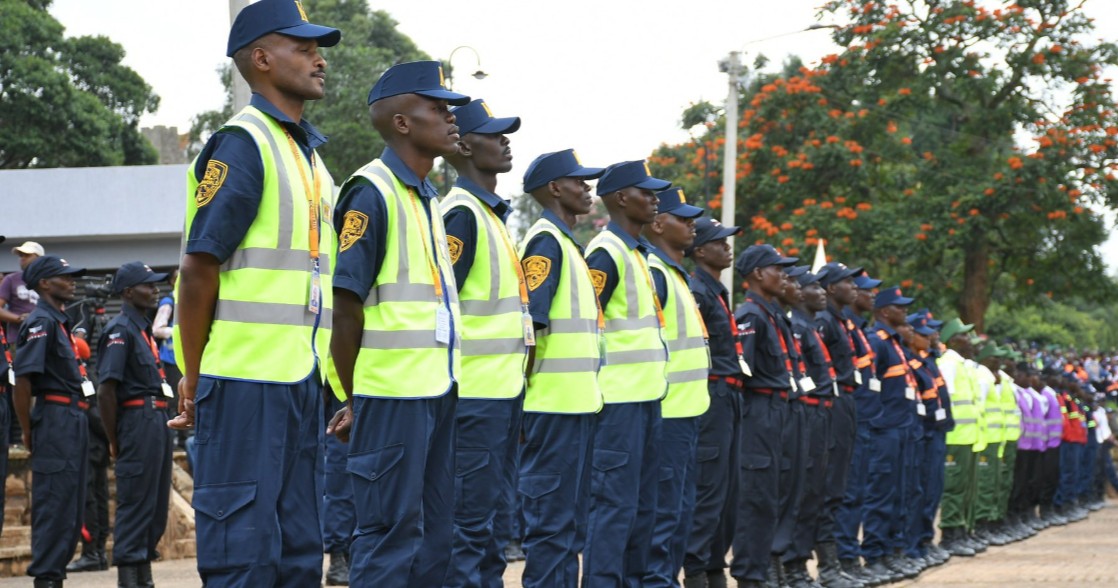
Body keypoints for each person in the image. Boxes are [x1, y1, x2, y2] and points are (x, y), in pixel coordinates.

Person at [167, 1, 341, 585]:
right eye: (304, 47)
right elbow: (198, 270)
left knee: (297, 555)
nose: (319, 59)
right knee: (244, 556)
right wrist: (193, 374)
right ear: (262, 59)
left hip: (296, 382)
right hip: (244, 385)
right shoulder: (244, 143)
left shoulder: (309, 157)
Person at [327, 60, 466, 586]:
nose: (451, 118)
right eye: (438, 108)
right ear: (403, 122)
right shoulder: (372, 191)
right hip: (390, 396)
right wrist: (352, 396)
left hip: (435, 389)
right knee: (389, 539)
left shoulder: (425, 196)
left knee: (434, 539)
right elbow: (346, 307)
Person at [440, 98, 529, 588]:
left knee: (495, 529)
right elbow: (442, 305)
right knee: (468, 529)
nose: (505, 141)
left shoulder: (490, 215)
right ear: (466, 145)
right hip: (473, 401)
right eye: (494, 134)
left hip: (500, 399)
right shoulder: (462, 215)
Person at [517, 149, 605, 587]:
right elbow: (530, 327)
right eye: (578, 181)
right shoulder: (546, 242)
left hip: (576, 407)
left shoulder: (568, 243)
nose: (587, 188)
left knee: (570, 527)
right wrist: (522, 399)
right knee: (551, 527)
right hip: (550, 408)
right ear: (554, 188)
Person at [583, 160, 670, 586]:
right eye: (646, 192)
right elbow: (585, 325)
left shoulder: (637, 252)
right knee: (614, 509)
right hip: (616, 405)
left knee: (642, 509)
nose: (654, 199)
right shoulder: (606, 252)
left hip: (646, 400)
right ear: (620, 198)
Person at [641, 188, 709, 587]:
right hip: (664, 413)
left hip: (686, 413)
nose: (691, 225)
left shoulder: (675, 274)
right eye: (682, 219)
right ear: (658, 223)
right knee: (662, 517)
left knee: (680, 514)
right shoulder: (654, 272)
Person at [12, 255, 90, 588]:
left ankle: (54, 577)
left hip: (73, 418)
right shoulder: (40, 322)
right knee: (54, 505)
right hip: (55, 419)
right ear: (44, 283)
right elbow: (23, 381)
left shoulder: (59, 322)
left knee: (70, 509)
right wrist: (29, 431)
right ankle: (46, 579)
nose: (72, 281)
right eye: (64, 276)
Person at [96, 262, 174, 588]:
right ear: (128, 292)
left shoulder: (142, 329)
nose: (155, 289)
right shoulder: (119, 330)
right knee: (135, 504)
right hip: (137, 421)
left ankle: (145, 580)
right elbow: (106, 391)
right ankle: (131, 580)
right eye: (148, 285)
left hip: (156, 420)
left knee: (155, 505)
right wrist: (114, 439)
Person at [729, 244, 798, 588]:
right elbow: (744, 374)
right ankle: (749, 576)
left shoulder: (769, 314)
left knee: (771, 496)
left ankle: (762, 571)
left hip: (776, 411)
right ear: (757, 274)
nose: (783, 275)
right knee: (755, 498)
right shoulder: (750, 316)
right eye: (777, 269)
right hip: (759, 414)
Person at [682, 217, 743, 588]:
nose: (727, 247)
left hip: (730, 396)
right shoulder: (698, 292)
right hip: (711, 396)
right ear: (700, 250)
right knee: (708, 487)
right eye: (719, 242)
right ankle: (696, 570)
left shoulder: (717, 291)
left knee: (727, 491)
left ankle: (715, 565)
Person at [785, 267, 843, 587]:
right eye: (813, 287)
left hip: (823, 411)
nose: (821, 292)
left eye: (823, 288)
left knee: (816, 493)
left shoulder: (809, 326)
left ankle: (804, 565)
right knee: (802, 494)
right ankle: (793, 567)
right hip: (807, 413)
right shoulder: (797, 325)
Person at [812, 262, 868, 588]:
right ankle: (828, 566)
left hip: (846, 402)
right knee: (828, 488)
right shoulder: (824, 322)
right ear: (831, 288)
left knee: (838, 488)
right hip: (831, 405)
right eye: (847, 281)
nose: (854, 287)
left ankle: (835, 563)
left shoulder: (842, 321)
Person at [860, 286, 920, 581]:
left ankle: (890, 551)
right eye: (899, 306)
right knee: (880, 494)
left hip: (902, 430)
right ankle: (873, 555)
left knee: (898, 493)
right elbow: (869, 387)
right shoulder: (877, 341)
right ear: (884, 312)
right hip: (885, 432)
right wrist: (880, 422)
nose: (905, 311)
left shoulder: (895, 344)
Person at [935, 318, 982, 556]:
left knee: (965, 487)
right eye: (964, 335)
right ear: (953, 340)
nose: (969, 339)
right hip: (955, 437)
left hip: (968, 437)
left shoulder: (962, 364)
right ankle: (950, 534)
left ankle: (961, 531)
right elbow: (946, 399)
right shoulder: (949, 364)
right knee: (953, 488)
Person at [0, 241, 44, 343]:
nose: (22, 258)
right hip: (18, 338)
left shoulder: (49, 280)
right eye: (21, 255)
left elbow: (60, 309)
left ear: (40, 259)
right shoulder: (11, 279)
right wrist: (20, 319)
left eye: (27, 255)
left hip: (45, 338)